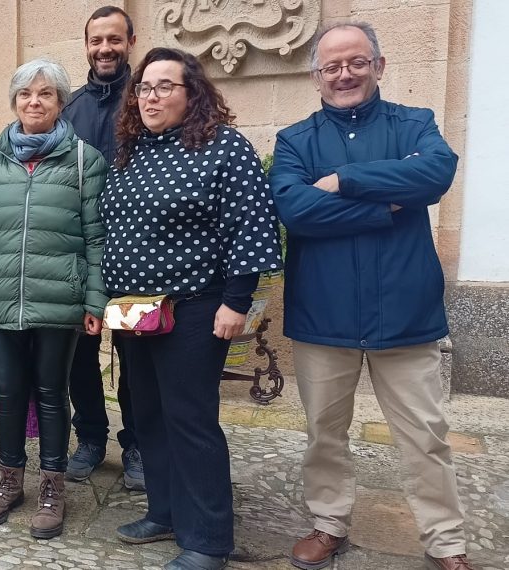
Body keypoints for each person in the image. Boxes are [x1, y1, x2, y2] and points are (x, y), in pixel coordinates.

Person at [270, 22, 472, 570]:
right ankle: (328, 522)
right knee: (323, 434)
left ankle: (446, 541)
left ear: (378, 67)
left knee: (425, 436)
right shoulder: (294, 140)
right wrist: (387, 203)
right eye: (331, 67)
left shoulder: (416, 124)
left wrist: (342, 181)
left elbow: (434, 174)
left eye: (356, 62)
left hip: (404, 313)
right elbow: (295, 210)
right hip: (323, 313)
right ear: (316, 77)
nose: (344, 75)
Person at [102, 47, 281, 570]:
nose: (150, 96)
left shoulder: (224, 148)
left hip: (196, 310)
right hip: (136, 313)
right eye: (144, 88)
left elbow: (250, 227)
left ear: (191, 92)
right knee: (148, 416)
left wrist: (236, 302)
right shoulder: (132, 151)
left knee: (191, 419)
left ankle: (207, 540)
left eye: (164, 86)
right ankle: (165, 511)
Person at [0, 58, 108, 540]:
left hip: (60, 300)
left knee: (53, 395)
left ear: (60, 103)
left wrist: (94, 301)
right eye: (24, 94)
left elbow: (98, 238)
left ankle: (53, 486)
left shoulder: (85, 161)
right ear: (14, 101)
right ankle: (9, 478)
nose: (33, 102)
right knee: (10, 395)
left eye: (44, 94)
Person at [60, 4, 145, 490]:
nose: (105, 48)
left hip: (136, 255)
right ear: (87, 45)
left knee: (135, 356)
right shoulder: (70, 109)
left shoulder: (148, 97)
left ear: (129, 41)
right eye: (97, 40)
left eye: (114, 39)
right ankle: (90, 437)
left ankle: (136, 443)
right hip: (81, 254)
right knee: (79, 353)